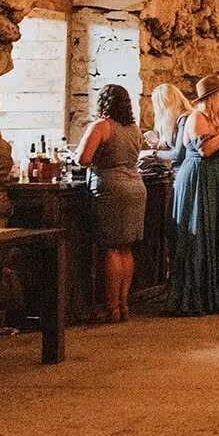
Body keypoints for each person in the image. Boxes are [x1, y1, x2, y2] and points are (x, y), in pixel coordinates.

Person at [75, 84, 147, 323]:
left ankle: (111, 306)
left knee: (112, 247)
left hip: (111, 188)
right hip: (136, 187)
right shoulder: (134, 129)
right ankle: (124, 304)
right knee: (126, 248)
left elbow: (83, 159)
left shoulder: (101, 126)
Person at [168, 75, 219, 317]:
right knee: (200, 234)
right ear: (212, 98)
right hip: (199, 181)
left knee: (216, 233)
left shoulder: (218, 119)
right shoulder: (196, 118)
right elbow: (205, 150)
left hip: (217, 182)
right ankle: (195, 296)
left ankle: (218, 295)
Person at [143, 83, 190, 157]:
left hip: (181, 167)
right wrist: (158, 145)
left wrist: (155, 154)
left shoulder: (184, 118)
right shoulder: (172, 120)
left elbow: (178, 154)